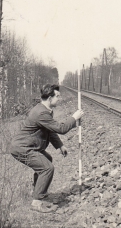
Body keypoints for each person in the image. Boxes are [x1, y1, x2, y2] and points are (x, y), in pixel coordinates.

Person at [10, 84, 84, 213]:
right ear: (50, 98)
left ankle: (37, 192)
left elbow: (50, 130)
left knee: (47, 159)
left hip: (28, 146)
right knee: (47, 168)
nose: (60, 98)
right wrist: (74, 118)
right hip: (22, 148)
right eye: (58, 96)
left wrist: (60, 145)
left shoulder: (45, 110)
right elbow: (61, 128)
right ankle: (37, 202)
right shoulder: (41, 113)